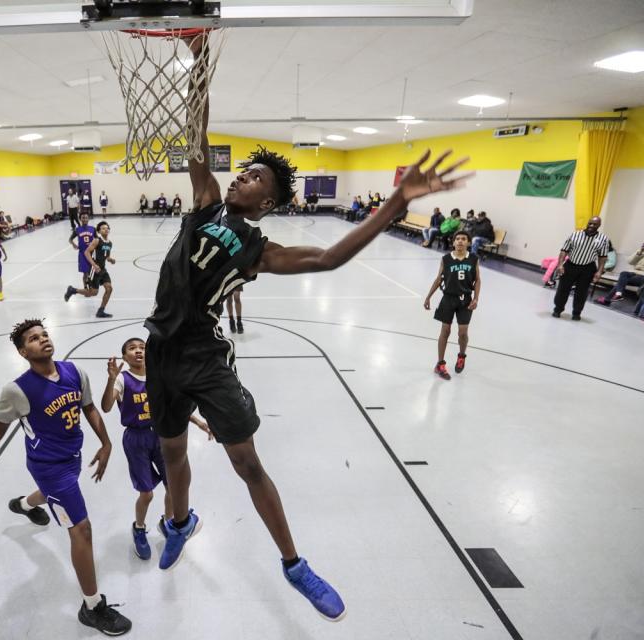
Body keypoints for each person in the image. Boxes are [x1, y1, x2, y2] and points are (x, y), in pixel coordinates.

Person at [143, 33, 472, 623]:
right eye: (242, 171)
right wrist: (196, 64)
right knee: (172, 453)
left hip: (205, 359)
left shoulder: (258, 248)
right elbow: (195, 135)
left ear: (267, 203)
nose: (242, 177)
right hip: (159, 353)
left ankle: (294, 565)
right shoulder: (204, 199)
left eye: (255, 180)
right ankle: (179, 521)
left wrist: (395, 203)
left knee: (246, 463)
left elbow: (328, 259)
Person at [0, 319, 132, 637]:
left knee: (52, 496)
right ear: (24, 351)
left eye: (45, 334)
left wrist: (106, 443)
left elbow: (90, 407)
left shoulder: (74, 372)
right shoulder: (17, 390)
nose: (43, 340)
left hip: (73, 457)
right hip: (48, 466)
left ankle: (24, 504)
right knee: (82, 530)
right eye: (34, 339)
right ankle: (92, 607)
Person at [100, 337, 211, 560]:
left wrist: (198, 422)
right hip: (136, 438)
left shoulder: (157, 377)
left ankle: (169, 523)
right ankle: (139, 528)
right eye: (132, 348)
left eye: (142, 347)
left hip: (161, 433)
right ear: (125, 357)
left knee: (173, 487)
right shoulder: (122, 379)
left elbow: (172, 407)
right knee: (147, 493)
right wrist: (111, 380)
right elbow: (106, 406)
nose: (138, 351)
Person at [423, 230, 481, 379]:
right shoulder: (446, 259)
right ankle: (440, 364)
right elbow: (438, 279)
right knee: (445, 330)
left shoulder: (473, 259)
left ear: (468, 242)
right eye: (458, 239)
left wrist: (476, 298)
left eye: (463, 239)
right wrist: (428, 297)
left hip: (465, 300)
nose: (460, 241)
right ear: (453, 242)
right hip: (448, 298)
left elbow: (478, 280)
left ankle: (461, 356)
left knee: (462, 333)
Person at [552, 216, 609, 320]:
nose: (591, 226)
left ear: (599, 225)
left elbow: (603, 257)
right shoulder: (575, 234)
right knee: (562, 289)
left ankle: (576, 313)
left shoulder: (603, 239)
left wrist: (599, 271)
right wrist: (560, 264)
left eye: (594, 224)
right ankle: (557, 309)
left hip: (588, 268)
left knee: (582, 292)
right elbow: (564, 250)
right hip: (571, 265)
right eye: (590, 223)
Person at [596, 236, 644, 305]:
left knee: (621, 282)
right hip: (635, 273)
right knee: (623, 274)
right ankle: (618, 294)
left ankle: (608, 299)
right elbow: (630, 262)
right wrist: (639, 253)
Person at [65, 220, 115, 318]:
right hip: (94, 269)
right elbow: (87, 252)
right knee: (93, 293)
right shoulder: (97, 240)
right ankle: (72, 290)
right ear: (99, 231)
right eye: (103, 228)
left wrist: (110, 259)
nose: (106, 230)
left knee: (109, 288)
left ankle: (101, 310)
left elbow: (107, 256)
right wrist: (94, 265)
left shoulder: (110, 243)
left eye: (107, 228)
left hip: (103, 270)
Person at [68, 211, 96, 291]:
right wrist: (74, 244)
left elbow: (97, 240)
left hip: (91, 254)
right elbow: (70, 239)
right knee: (85, 272)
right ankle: (85, 287)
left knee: (91, 271)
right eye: (83, 218)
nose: (84, 219)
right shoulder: (77, 230)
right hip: (82, 254)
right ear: (80, 219)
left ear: (88, 219)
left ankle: (91, 285)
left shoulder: (92, 229)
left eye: (86, 217)